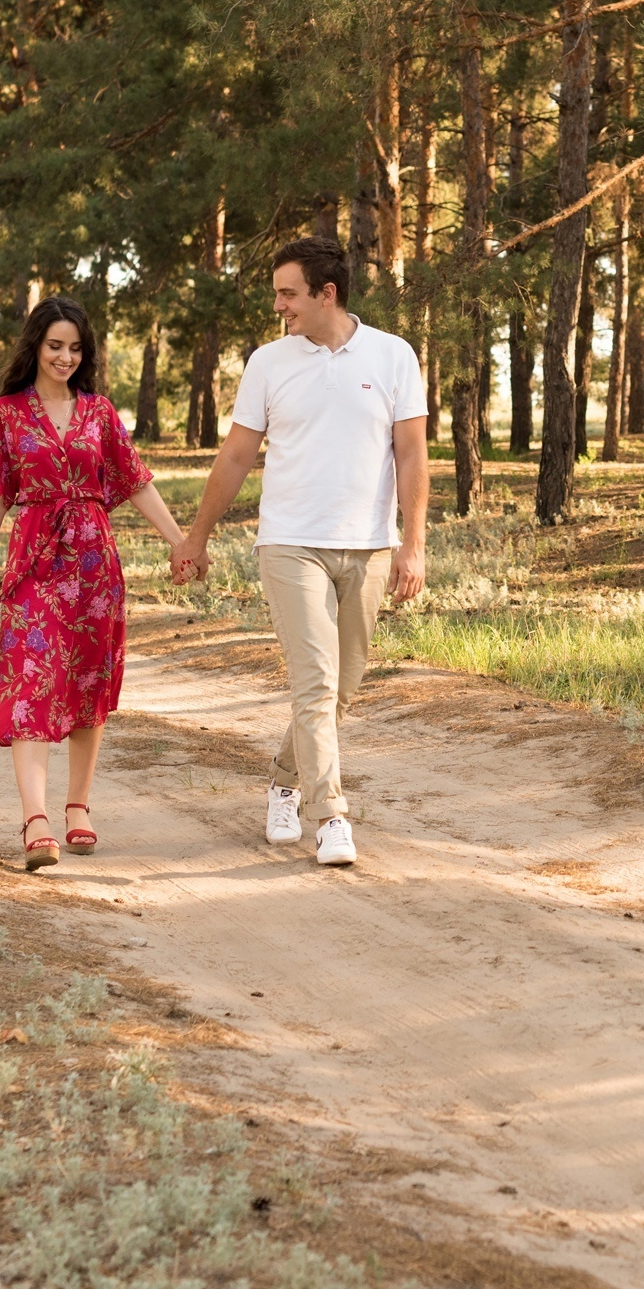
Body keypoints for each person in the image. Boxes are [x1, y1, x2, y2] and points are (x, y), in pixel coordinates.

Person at [169, 235, 427, 867]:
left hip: (367, 545)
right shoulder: (269, 363)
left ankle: (284, 780)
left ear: (325, 294)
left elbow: (413, 453)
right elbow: (235, 456)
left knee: (341, 691)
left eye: (288, 293)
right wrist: (195, 536)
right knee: (314, 685)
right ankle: (329, 815)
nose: (279, 305)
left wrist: (413, 544)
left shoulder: (393, 356)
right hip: (289, 544)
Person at [0, 296, 187, 870]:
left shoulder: (100, 412)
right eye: (54, 346)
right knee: (32, 679)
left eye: (74, 348)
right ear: (35, 347)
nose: (64, 357)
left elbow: (136, 483)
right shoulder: (8, 413)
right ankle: (35, 819)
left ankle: (78, 805)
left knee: (88, 681)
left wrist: (179, 541)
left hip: (93, 564)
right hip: (35, 560)